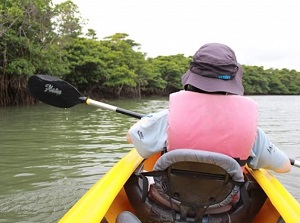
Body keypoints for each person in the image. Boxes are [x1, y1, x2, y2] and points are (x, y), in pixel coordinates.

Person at [127, 42, 291, 173]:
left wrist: (147, 121)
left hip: (170, 201)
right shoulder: (251, 131)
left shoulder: (167, 119)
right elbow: (284, 167)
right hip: (224, 208)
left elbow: (131, 137)